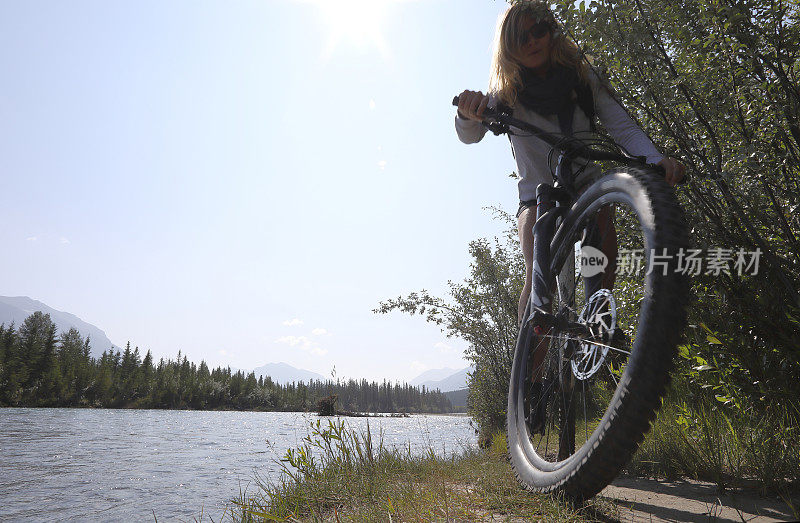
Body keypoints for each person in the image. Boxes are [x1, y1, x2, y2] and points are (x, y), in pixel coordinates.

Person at [455, 0, 686, 433]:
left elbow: (621, 125)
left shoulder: (581, 77)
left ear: (552, 30)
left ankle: (598, 318)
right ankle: (529, 379)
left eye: (540, 28)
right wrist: (467, 110)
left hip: (587, 186)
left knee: (603, 227)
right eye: (521, 35)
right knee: (538, 269)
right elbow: (470, 130)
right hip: (538, 199)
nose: (533, 39)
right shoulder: (506, 93)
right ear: (508, 45)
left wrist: (657, 161)